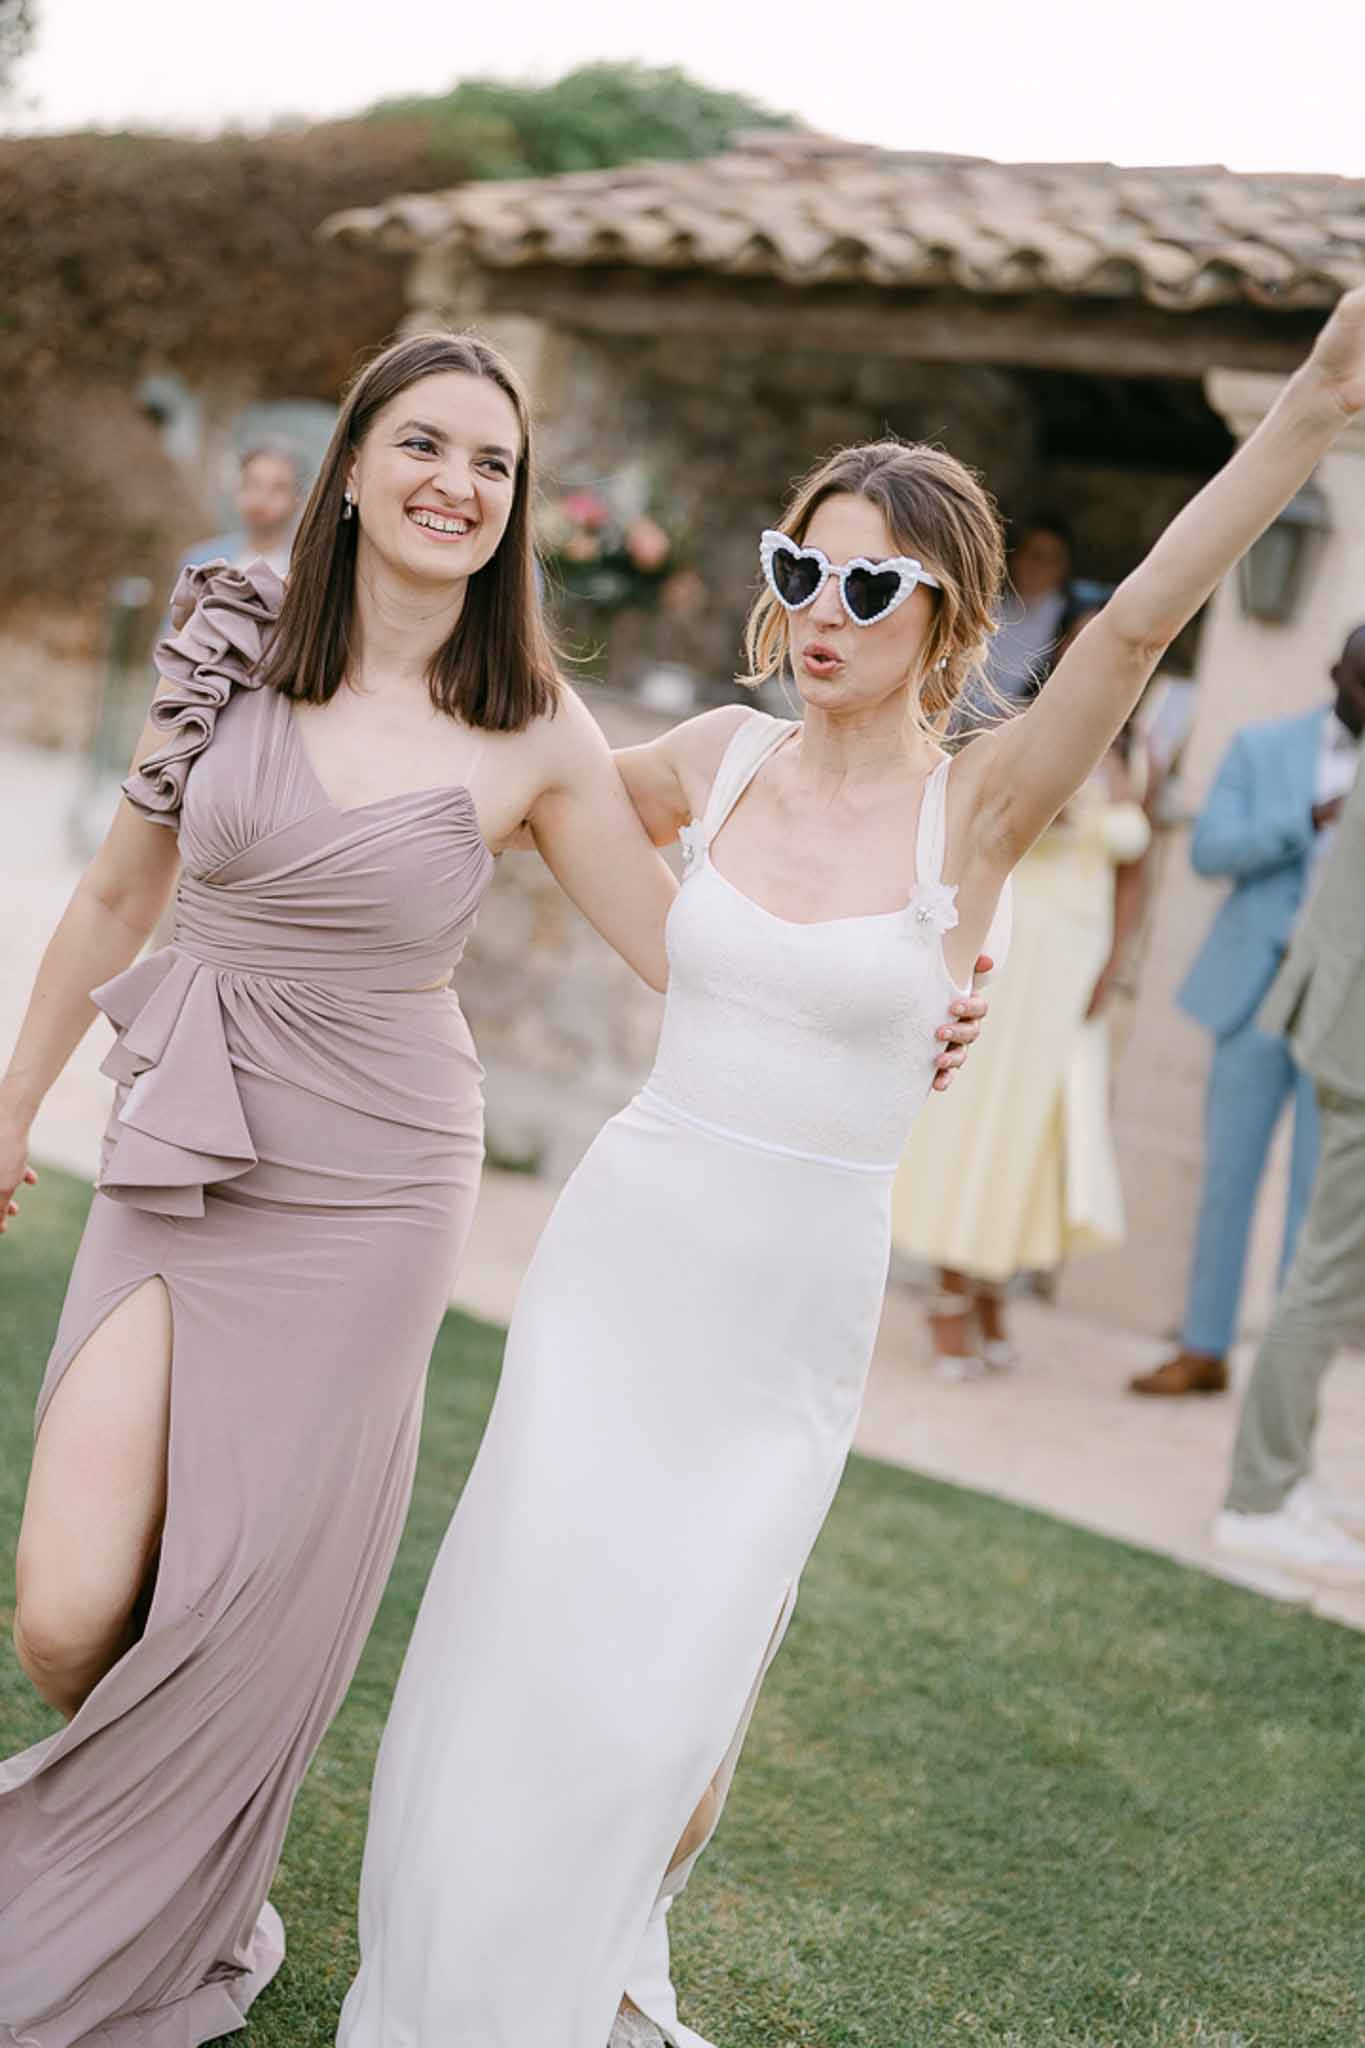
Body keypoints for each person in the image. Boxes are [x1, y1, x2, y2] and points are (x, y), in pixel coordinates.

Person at [336, 287, 1365, 2048]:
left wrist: (1313, 407)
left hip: (787, 1306)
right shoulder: (717, 764)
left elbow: (1129, 640)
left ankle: (596, 1971)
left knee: (681, 1696)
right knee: (529, 1643)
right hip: (629, 1252)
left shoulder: (973, 810)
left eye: (870, 586)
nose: (823, 613)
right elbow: (517, 760)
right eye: (800, 571)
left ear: (946, 616)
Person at [0, 330, 983, 2044]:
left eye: (496, 463)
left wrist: (914, 987)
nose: (459, 483)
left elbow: (701, 947)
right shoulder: (226, 641)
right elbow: (108, 898)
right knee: (69, 1603)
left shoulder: (533, 722)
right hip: (180, 1144)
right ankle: (164, 1854)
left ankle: (179, 1895)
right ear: (355, 465)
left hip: (376, 1180)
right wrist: (11, 1104)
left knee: (234, 1589)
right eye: (426, 445)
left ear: (518, 506)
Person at [891, 599, 1153, 1378]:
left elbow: (1135, 872)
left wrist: (1112, 970)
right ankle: (946, 1295)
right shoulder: (1023, 734)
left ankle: (988, 1286)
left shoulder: (1140, 755)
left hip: (1075, 965)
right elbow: (971, 837)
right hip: (1016, 950)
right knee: (983, 1119)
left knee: (1041, 1132)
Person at [1130, 631, 1364, 1397]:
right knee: (1227, 1177)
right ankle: (1203, 1347)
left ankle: (1284, 1373)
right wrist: (1308, 817)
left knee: (1314, 1197)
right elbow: (1209, 852)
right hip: (1253, 996)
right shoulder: (1265, 749)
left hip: (1343, 1011)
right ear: (1336, 673)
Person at [1213, 629, 1365, 1580]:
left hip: (1338, 1025)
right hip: (1354, 1042)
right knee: (1325, 1275)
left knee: (1329, 1272)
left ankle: (1288, 1475)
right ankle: (1259, 1497)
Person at [179, 439, 306, 578]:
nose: (262, 497)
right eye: (253, 484)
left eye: (279, 488)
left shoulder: (305, 569)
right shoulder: (200, 563)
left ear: (298, 499)